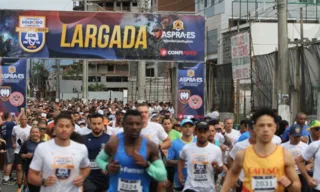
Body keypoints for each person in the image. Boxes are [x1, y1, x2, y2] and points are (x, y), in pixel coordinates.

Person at [222, 108, 301, 192]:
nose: (266, 129)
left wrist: (288, 184)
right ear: (254, 128)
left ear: (275, 127)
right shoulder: (242, 155)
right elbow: (233, 173)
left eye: (269, 125)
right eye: (261, 125)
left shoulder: (285, 155)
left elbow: (297, 187)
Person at [95, 109, 167, 192]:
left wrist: (146, 165)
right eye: (130, 124)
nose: (134, 127)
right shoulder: (113, 143)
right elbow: (99, 159)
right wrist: (107, 167)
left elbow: (162, 175)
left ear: (142, 125)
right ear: (123, 125)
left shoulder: (150, 146)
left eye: (138, 124)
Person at [28, 113, 91, 192]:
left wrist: (82, 177)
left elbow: (86, 167)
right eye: (61, 126)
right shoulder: (42, 148)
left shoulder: (81, 148)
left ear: (72, 128)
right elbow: (31, 176)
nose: (64, 129)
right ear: (54, 128)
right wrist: (43, 181)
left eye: (67, 126)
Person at [178, 121, 224, 192]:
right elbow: (181, 159)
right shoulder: (187, 148)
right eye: (200, 132)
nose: (202, 135)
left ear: (208, 132)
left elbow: (220, 169)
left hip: (208, 188)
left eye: (205, 132)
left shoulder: (216, 149)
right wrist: (180, 173)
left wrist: (216, 166)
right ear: (195, 132)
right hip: (191, 187)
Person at [83, 113, 110, 192]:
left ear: (103, 124)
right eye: (94, 124)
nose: (97, 126)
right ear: (90, 124)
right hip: (89, 179)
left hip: (105, 179)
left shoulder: (110, 139)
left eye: (99, 123)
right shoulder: (83, 139)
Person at [167, 119, 196, 192]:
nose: (188, 128)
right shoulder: (174, 143)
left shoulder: (198, 142)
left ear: (193, 128)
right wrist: (181, 161)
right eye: (185, 126)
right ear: (181, 129)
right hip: (180, 180)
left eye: (190, 126)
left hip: (196, 181)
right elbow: (168, 161)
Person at [281, 124, 309, 192]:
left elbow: (311, 162)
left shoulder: (305, 146)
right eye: (295, 136)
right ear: (290, 135)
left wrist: (307, 167)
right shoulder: (282, 147)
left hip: (301, 175)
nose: (297, 139)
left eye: (298, 136)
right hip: (288, 176)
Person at [19, 127, 44, 192]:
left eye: (36, 132)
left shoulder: (45, 144)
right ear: (30, 133)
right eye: (33, 132)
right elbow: (21, 154)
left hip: (42, 170)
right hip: (30, 170)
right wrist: (26, 155)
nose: (35, 134)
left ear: (40, 133)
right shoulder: (26, 143)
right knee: (33, 189)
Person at [12, 114, 32, 191]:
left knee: (26, 169)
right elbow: (13, 136)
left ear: (27, 120)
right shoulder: (15, 128)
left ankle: (25, 184)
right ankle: (19, 185)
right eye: (22, 119)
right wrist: (13, 143)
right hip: (17, 150)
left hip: (27, 151)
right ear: (19, 120)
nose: (23, 121)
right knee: (19, 168)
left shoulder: (30, 128)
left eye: (25, 119)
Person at [1, 112, 16, 185]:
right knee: (10, 163)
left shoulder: (3, 125)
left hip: (6, 145)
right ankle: (6, 179)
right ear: (9, 116)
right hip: (10, 145)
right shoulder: (11, 124)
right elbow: (18, 125)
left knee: (6, 163)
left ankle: (5, 177)